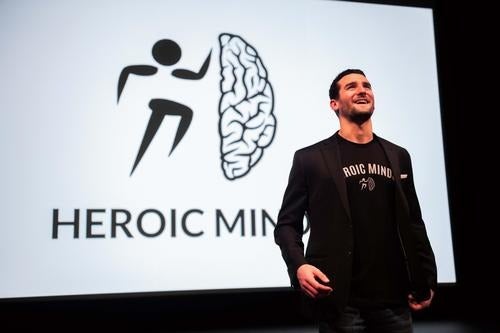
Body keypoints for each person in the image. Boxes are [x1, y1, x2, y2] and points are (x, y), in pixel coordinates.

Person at [274, 69, 437, 332]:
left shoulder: (398, 156)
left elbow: (414, 222)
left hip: (394, 300)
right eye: (351, 86)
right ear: (334, 104)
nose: (362, 90)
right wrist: (299, 266)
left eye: (367, 85)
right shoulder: (311, 159)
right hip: (341, 301)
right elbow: (286, 225)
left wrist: (427, 278)